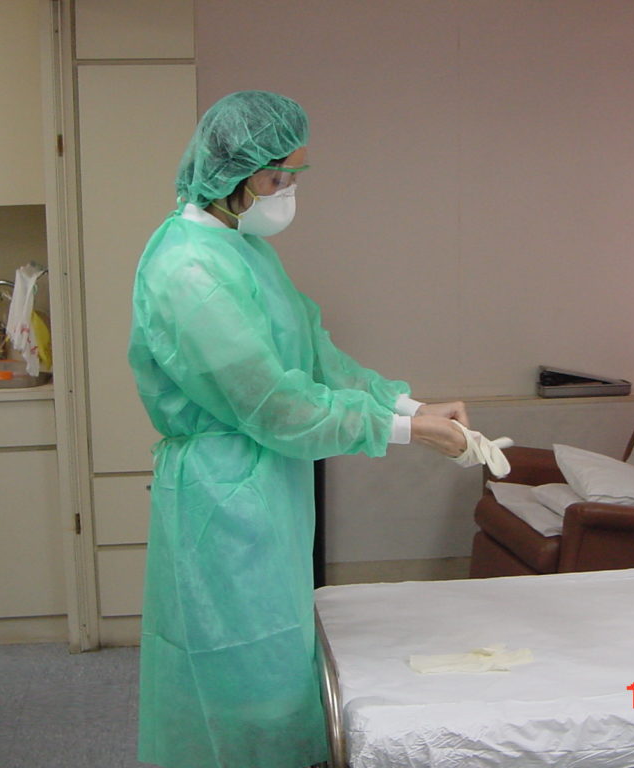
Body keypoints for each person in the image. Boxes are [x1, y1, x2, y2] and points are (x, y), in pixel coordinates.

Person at [128, 90, 470, 768]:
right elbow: (277, 407)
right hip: (222, 498)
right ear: (231, 172)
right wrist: (408, 434)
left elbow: (314, 357)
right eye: (277, 176)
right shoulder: (189, 270)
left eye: (294, 175)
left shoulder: (241, 248)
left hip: (267, 483)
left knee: (281, 653)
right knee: (237, 670)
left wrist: (411, 407)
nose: (288, 191)